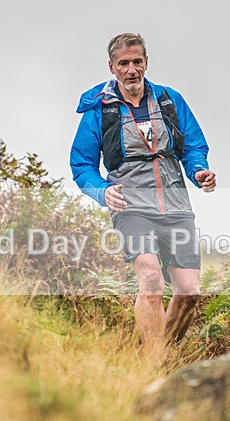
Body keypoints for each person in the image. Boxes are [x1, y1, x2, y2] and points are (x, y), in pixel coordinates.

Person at [70, 32, 216, 358]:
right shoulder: (100, 111)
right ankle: (155, 360)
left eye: (137, 61)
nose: (131, 69)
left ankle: (158, 352)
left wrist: (199, 171)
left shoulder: (169, 100)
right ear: (112, 67)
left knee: (190, 292)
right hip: (132, 206)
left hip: (176, 205)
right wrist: (102, 191)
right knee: (151, 278)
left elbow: (192, 147)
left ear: (146, 62)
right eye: (124, 63)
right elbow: (81, 164)